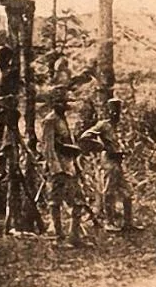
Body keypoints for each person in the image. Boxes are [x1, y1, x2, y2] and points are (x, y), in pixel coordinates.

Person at [80, 98, 144, 232]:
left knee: (127, 192)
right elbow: (86, 136)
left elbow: (125, 141)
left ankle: (128, 223)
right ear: (108, 111)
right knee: (109, 191)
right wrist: (100, 146)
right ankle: (109, 222)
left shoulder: (118, 126)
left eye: (117, 110)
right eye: (112, 110)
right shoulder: (103, 125)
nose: (115, 113)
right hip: (108, 160)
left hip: (118, 161)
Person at [41, 86, 89, 248]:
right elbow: (48, 148)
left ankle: (74, 236)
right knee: (55, 202)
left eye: (64, 102)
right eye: (60, 102)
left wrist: (77, 166)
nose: (63, 105)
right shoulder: (50, 120)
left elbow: (69, 145)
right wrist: (55, 169)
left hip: (70, 167)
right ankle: (58, 237)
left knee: (78, 201)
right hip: (59, 168)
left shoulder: (64, 120)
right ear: (53, 104)